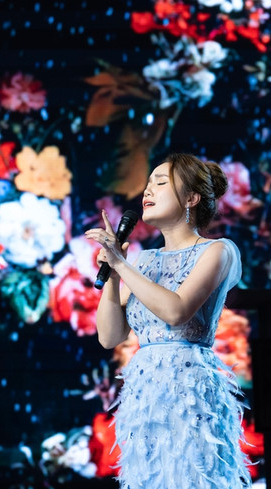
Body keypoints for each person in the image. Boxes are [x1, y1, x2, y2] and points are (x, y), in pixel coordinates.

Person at [85, 152, 253, 489]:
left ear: (191, 198)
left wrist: (121, 264)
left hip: (190, 390)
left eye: (160, 183)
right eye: (148, 184)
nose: (147, 190)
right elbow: (110, 336)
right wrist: (114, 275)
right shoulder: (145, 260)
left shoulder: (218, 251)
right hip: (145, 394)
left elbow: (176, 311)